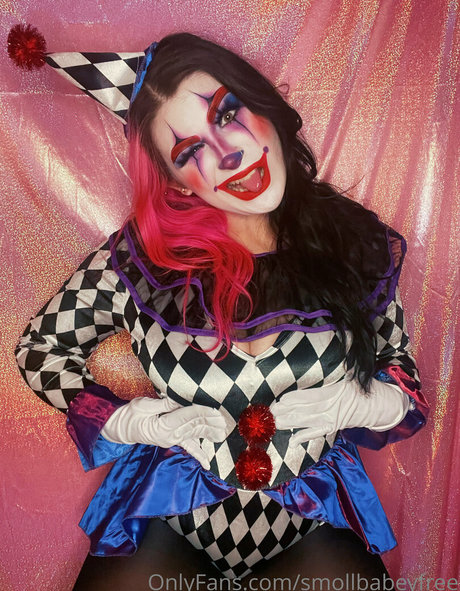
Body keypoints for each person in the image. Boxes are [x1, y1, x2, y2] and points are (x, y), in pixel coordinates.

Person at [14, 32, 429, 585]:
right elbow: (40, 349)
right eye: (190, 152)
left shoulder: (355, 245)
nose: (227, 153)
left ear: (264, 103)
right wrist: (123, 420)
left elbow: (404, 379)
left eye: (228, 114)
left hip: (311, 520)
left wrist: (368, 403)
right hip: (167, 518)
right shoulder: (139, 260)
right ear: (175, 181)